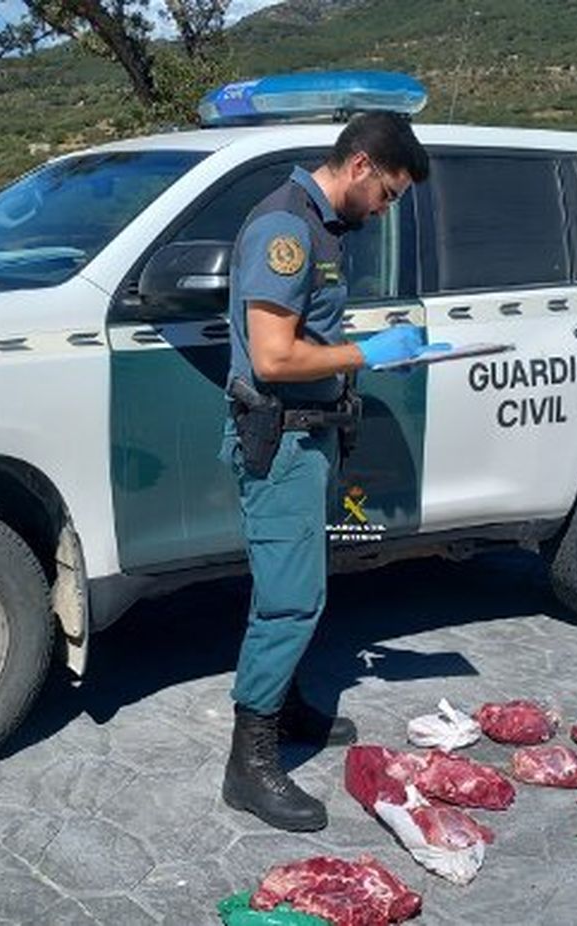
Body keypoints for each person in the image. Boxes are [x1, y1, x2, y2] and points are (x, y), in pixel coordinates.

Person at [219, 111, 433, 832]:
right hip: (279, 441)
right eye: (390, 194)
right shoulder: (286, 230)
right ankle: (250, 764)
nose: (386, 209)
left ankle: (286, 704)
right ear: (363, 166)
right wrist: (367, 355)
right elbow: (275, 358)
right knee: (288, 601)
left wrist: (354, 354)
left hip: (308, 438)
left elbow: (308, 334)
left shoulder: (322, 227)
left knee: (304, 583)